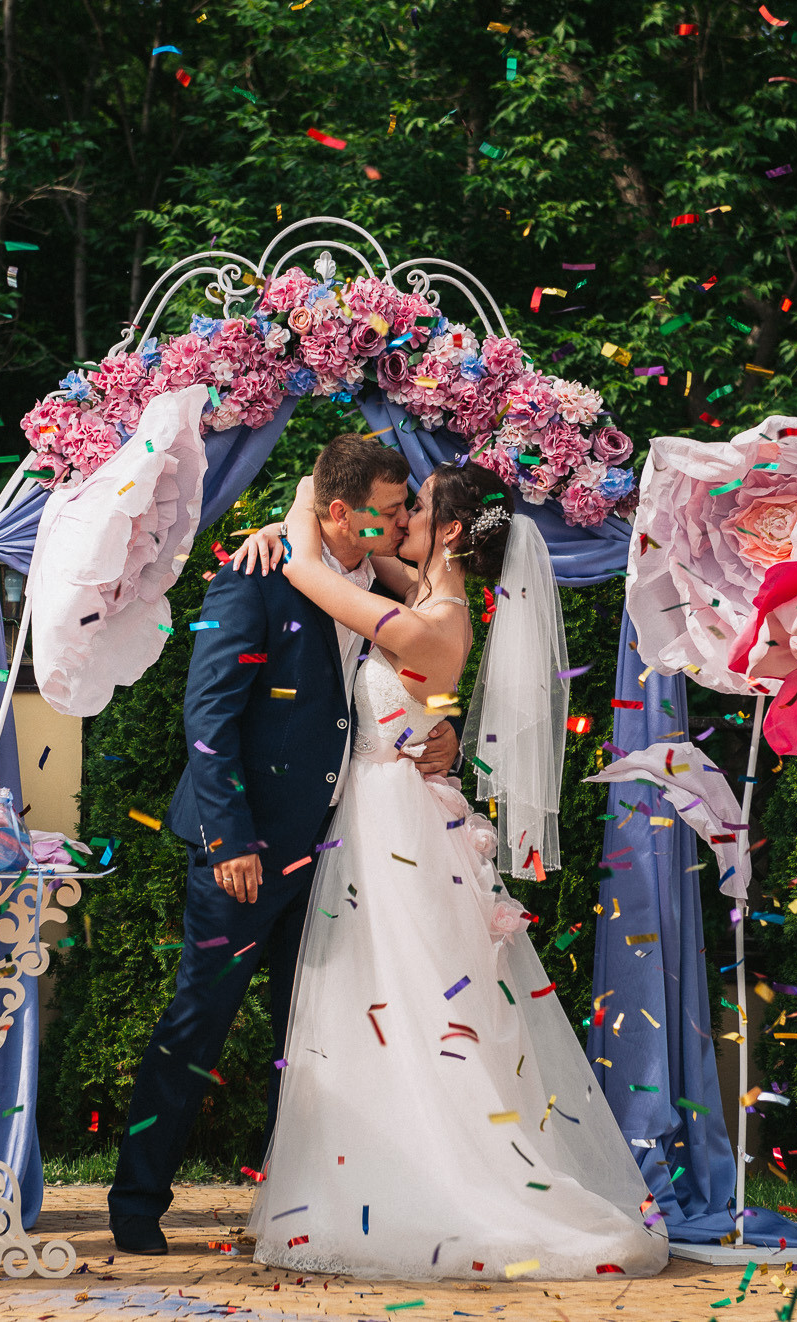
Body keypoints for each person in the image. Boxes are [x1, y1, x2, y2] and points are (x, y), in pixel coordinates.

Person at [229, 461, 668, 1280]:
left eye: (417, 509)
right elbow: (344, 561)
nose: (401, 520)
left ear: (453, 534)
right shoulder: (426, 593)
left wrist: (300, 496)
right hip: (383, 818)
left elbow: (306, 568)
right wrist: (289, 533)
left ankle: (434, 1182)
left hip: (392, 826)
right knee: (382, 997)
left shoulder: (430, 624)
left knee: (403, 996)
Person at [107, 434, 460, 1255]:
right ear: (340, 512)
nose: (406, 515)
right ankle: (134, 1203)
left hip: (341, 854)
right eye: (393, 504)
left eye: (409, 503)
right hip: (248, 850)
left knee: (310, 1037)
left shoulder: (386, 590)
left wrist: (449, 742)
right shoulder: (258, 575)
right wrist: (230, 837)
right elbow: (209, 717)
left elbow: (422, 700)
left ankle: (297, 1206)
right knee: (197, 1024)